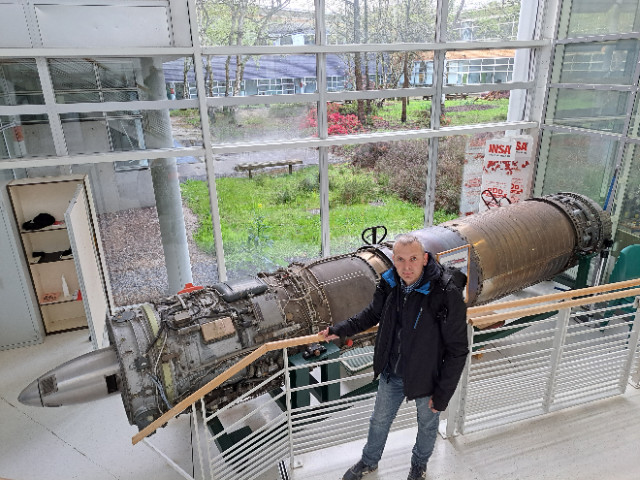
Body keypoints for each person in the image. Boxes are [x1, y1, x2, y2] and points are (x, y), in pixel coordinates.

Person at [320, 234, 469, 480]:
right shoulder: (390, 283)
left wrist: (443, 393)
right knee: (378, 421)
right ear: (393, 260)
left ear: (425, 259)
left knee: (427, 425)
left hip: (427, 377)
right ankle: (369, 461)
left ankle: (418, 466)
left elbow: (458, 349)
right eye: (400, 259)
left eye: (413, 259)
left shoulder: (445, 292)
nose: (406, 267)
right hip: (392, 371)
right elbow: (371, 314)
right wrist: (340, 329)